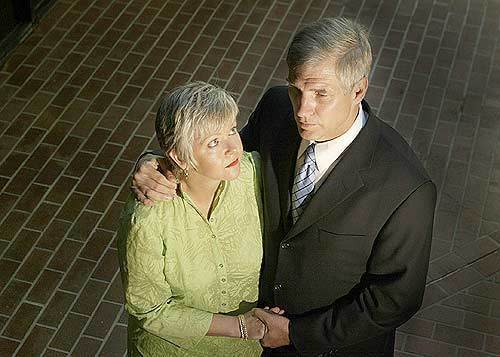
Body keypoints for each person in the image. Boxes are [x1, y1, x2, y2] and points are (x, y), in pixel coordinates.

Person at [132, 17, 437, 356]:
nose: (303, 110)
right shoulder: (276, 109)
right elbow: (219, 161)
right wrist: (156, 162)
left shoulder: (407, 187)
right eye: (296, 89)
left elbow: (394, 300)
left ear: (358, 90)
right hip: (255, 340)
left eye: (321, 94)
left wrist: (296, 333)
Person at [118, 81, 276, 356]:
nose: (233, 148)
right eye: (213, 142)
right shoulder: (148, 218)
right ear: (179, 156)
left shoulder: (254, 173)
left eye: (232, 130)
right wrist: (240, 326)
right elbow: (151, 311)